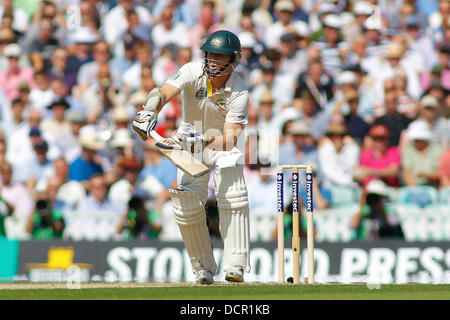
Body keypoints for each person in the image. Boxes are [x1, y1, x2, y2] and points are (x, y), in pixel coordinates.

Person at [132, 30, 250, 284]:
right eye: (210, 54)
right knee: (186, 203)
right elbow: (162, 92)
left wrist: (205, 139)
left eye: (220, 56)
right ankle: (203, 268)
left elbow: (231, 138)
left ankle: (236, 265)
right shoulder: (191, 70)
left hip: (220, 144)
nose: (213, 61)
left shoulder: (239, 91)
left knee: (232, 188)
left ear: (234, 60)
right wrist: (148, 111)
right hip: (190, 142)